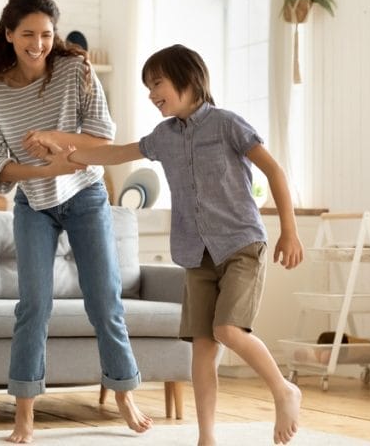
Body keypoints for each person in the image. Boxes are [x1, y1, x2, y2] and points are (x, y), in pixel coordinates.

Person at [47, 43, 305, 445]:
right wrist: (72, 155)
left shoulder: (226, 124)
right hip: (196, 254)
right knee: (202, 350)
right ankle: (206, 438)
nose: (151, 94)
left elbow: (273, 170)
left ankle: (284, 390)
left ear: (189, 79)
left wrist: (289, 230)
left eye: (157, 83)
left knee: (227, 329)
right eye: (148, 86)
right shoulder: (164, 137)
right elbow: (118, 152)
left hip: (241, 245)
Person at [0, 0, 153, 443]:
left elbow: (103, 135)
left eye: (46, 34)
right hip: (34, 203)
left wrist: (51, 138)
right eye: (28, 34)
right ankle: (24, 413)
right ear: (8, 35)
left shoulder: (75, 70)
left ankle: (124, 392)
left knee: (104, 301)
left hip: (85, 197)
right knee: (34, 306)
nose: (38, 43)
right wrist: (47, 166)